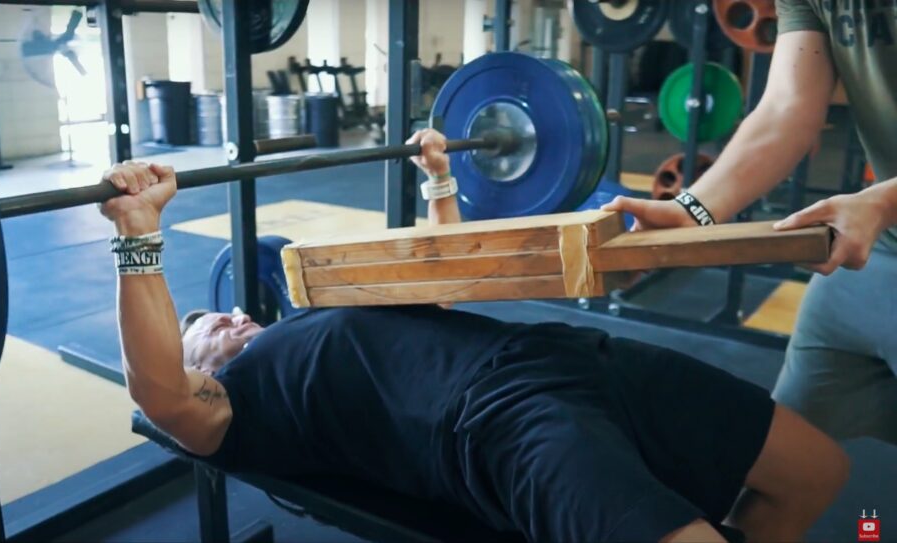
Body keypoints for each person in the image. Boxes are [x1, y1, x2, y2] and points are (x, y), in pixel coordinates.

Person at [99, 130, 848, 543]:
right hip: (496, 426)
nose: (225, 317)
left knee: (817, 471)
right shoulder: (241, 409)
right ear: (198, 369)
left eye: (219, 311)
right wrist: (139, 235)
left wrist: (438, 180)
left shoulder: (310, 317)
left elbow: (439, 284)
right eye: (202, 333)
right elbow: (159, 389)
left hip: (565, 355)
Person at [603, 1, 897, 445]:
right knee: (777, 463)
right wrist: (693, 209)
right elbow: (788, 107)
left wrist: (884, 201)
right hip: (873, 261)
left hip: (882, 219)